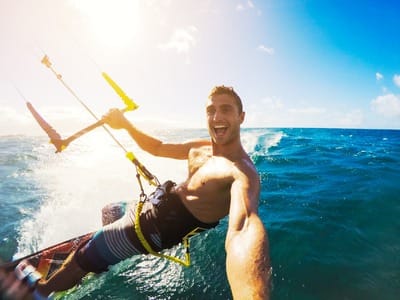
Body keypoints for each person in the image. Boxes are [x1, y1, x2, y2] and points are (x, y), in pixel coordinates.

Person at [0, 86, 271, 299]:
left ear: (241, 117)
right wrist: (125, 124)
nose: (217, 117)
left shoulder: (241, 172)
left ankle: (41, 291)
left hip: (152, 231)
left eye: (226, 109)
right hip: (151, 208)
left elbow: (244, 229)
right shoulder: (201, 147)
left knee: (82, 256)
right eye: (211, 110)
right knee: (109, 210)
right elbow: (158, 147)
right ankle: (103, 252)